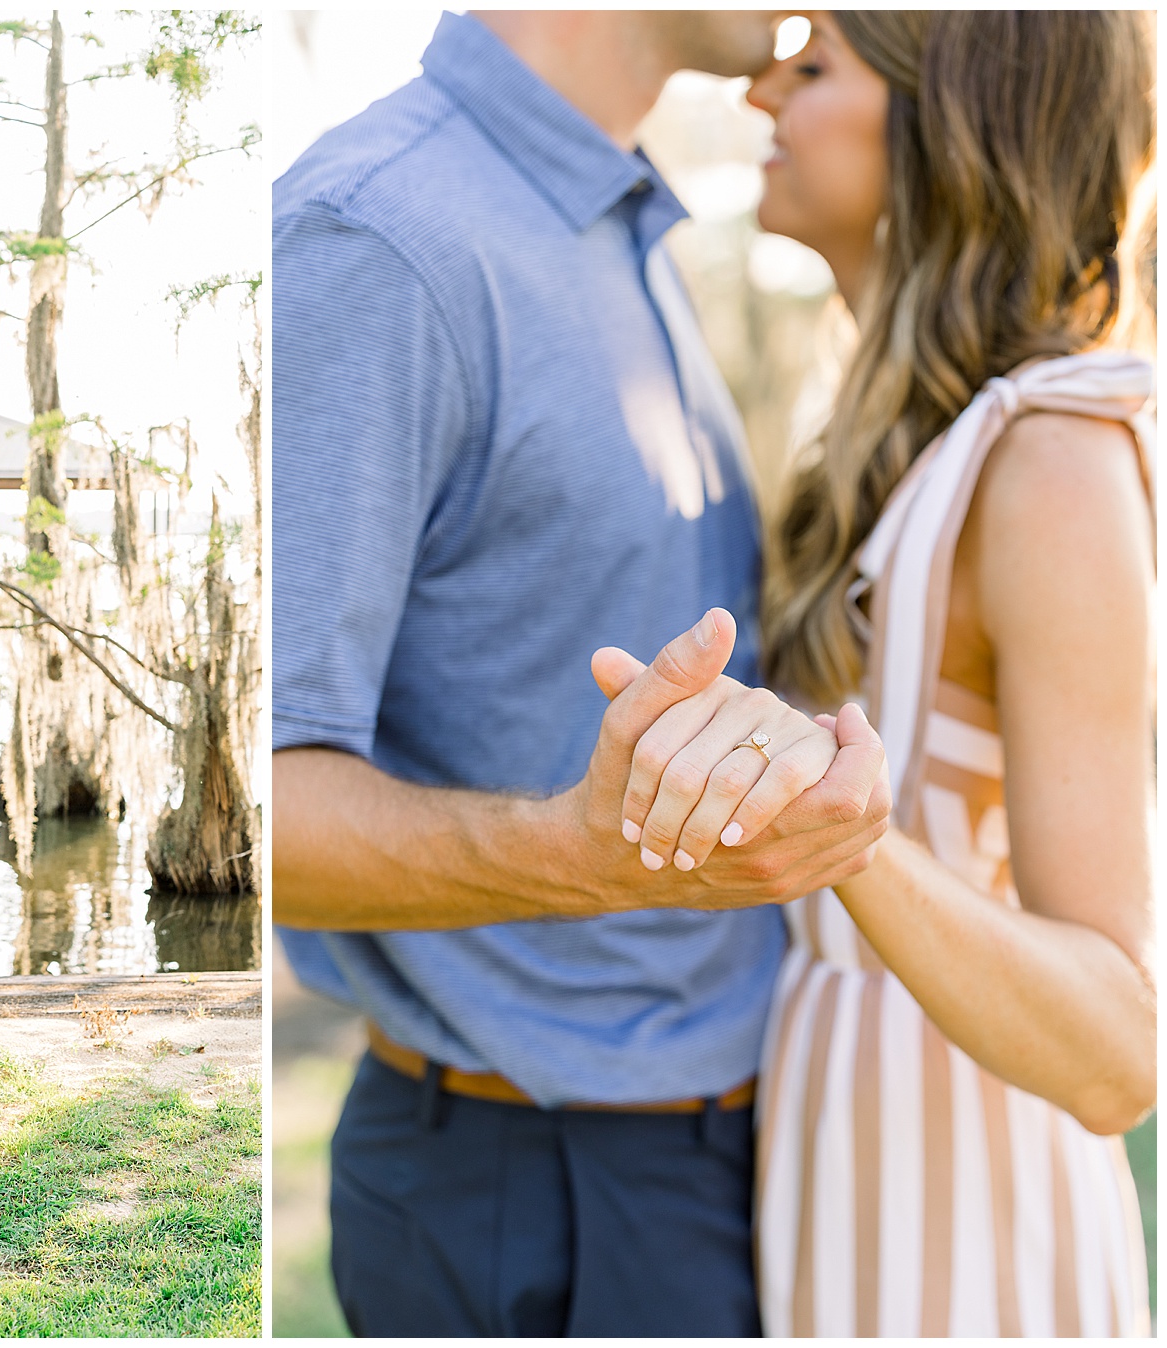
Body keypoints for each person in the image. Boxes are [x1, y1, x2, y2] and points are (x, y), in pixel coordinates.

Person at [273, 11, 889, 1336]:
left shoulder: (615, 224)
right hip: (530, 1195)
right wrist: (576, 852)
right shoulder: (379, 232)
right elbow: (242, 811)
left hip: (704, 1168)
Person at [698, 11, 1150, 1335]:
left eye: (818, 60)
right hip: (840, 1164)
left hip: (975, 1232)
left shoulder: (1050, 461)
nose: (759, 89)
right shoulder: (895, 445)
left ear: (949, 123)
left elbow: (1123, 1050)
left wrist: (851, 846)